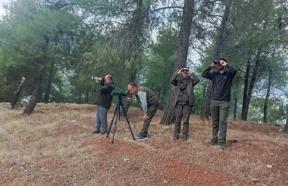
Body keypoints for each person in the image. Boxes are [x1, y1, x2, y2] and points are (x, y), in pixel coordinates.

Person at [202, 58, 237, 149]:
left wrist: (226, 64)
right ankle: (214, 140)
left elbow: (234, 71)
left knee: (222, 122)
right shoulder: (214, 74)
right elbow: (204, 74)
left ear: (224, 64)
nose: (219, 65)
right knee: (215, 122)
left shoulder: (229, 74)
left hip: (224, 102)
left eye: (221, 63)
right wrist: (211, 66)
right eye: (218, 63)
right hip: (214, 101)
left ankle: (221, 143)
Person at [171, 67, 200, 141]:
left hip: (187, 104)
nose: (185, 72)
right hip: (178, 103)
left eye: (186, 71)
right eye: (183, 71)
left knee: (186, 120)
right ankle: (176, 135)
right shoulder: (178, 81)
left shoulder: (191, 81)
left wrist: (191, 73)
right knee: (177, 120)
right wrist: (178, 73)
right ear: (181, 72)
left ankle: (184, 135)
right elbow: (172, 81)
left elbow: (197, 80)